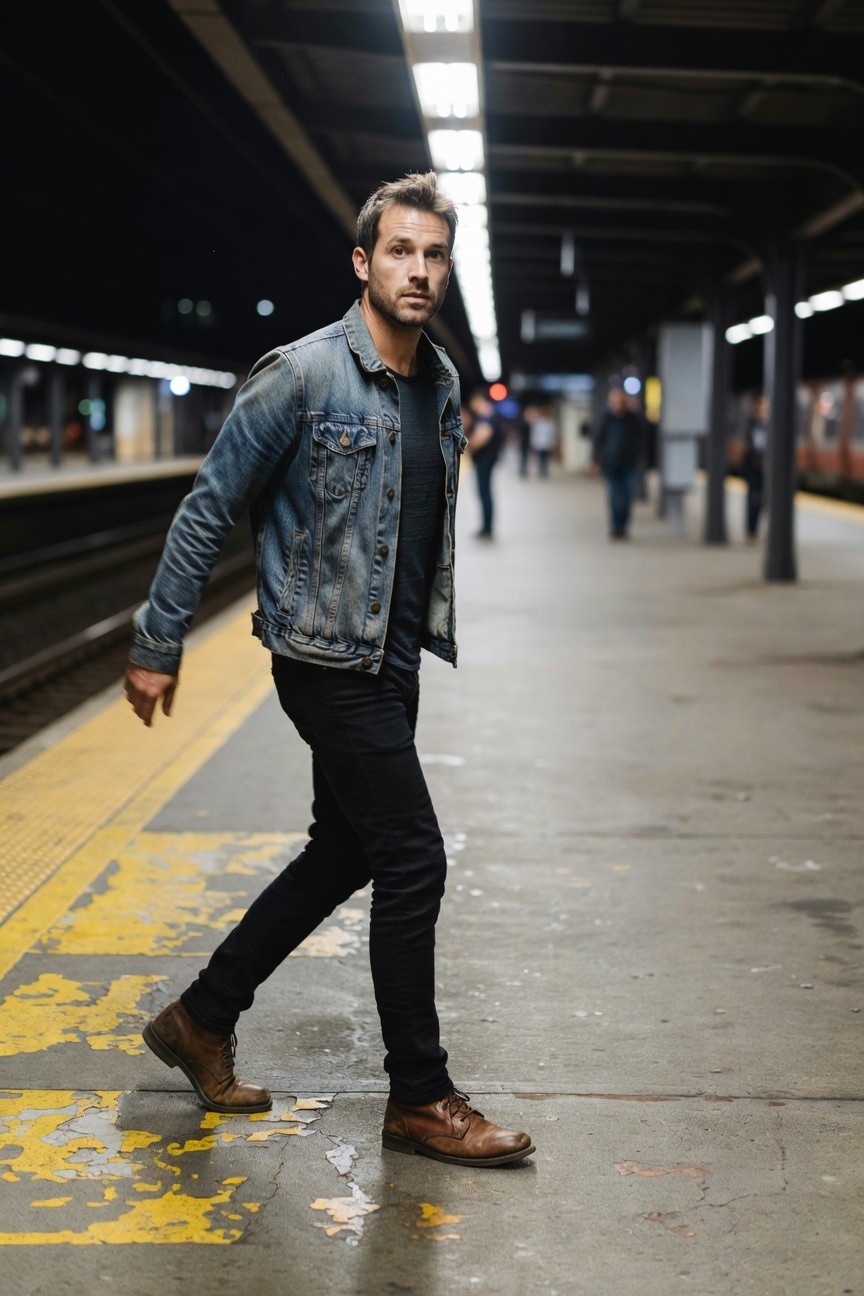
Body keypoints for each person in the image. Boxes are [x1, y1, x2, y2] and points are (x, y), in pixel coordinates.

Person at [123, 172, 534, 1169]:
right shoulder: (300, 377)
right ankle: (421, 1097)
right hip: (320, 658)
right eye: (401, 250)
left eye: (434, 255)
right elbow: (210, 505)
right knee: (413, 858)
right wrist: (156, 641)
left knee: (345, 850)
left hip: (392, 663)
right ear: (363, 262)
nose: (419, 270)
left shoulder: (438, 386)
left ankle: (202, 1018)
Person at [591, 387, 643, 539]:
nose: (617, 404)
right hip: (610, 463)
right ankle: (615, 526)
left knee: (627, 496)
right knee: (614, 495)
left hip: (629, 463)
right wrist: (596, 461)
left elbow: (641, 440)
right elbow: (598, 440)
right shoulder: (605, 417)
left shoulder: (633, 418)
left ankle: (623, 526)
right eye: (614, 401)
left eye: (620, 401)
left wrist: (640, 458)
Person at [465, 389, 503, 538]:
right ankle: (487, 527)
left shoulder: (486, 417)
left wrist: (468, 447)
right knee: (485, 491)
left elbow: (483, 436)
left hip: (484, 459)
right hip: (488, 459)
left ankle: (487, 529)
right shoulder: (491, 415)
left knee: (484, 492)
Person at [742, 394, 768, 542]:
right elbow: (748, 445)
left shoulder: (769, 425)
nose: (764, 409)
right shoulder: (751, 424)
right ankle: (750, 530)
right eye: (762, 406)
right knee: (753, 499)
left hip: (764, 468)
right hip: (752, 467)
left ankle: (756, 529)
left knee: (762, 500)